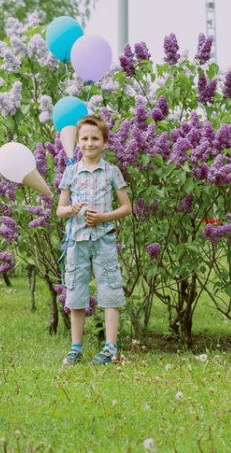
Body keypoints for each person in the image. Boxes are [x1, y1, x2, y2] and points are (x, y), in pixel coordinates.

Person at [56, 114, 132, 366]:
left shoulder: (112, 171)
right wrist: (71, 209)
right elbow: (60, 210)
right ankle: (75, 347)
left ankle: (110, 348)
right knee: (76, 293)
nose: (89, 143)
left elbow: (126, 207)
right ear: (77, 141)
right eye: (85, 139)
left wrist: (103, 217)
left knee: (109, 291)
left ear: (105, 142)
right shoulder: (71, 172)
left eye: (95, 139)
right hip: (77, 241)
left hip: (103, 240)